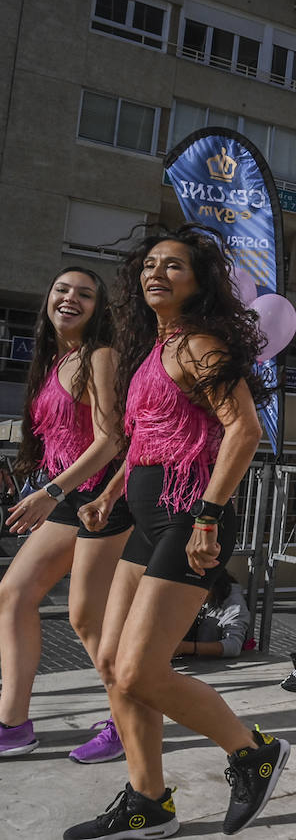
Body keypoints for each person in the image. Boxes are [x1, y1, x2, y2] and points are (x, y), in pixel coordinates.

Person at [66, 224, 289, 839]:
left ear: (198, 284)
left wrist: (210, 517)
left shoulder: (200, 346)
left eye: (174, 267)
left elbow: (243, 431)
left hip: (194, 515)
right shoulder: (152, 352)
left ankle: (251, 752)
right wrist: (109, 494)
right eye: (150, 266)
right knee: (112, 663)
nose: (156, 274)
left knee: (140, 671)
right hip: (149, 515)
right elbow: (143, 440)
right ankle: (149, 801)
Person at [0, 267, 133, 764]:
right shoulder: (57, 360)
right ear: (48, 298)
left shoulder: (100, 356)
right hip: (69, 495)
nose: (70, 299)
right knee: (14, 594)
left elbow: (112, 439)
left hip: (105, 499)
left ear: (98, 309)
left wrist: (50, 492)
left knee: (87, 618)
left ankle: (126, 721)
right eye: (61, 289)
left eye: (85, 294)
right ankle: (13, 724)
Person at [176, 571, 250, 659]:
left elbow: (234, 646)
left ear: (211, 585)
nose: (189, 595)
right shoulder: (207, 596)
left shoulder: (235, 603)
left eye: (194, 589)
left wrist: (185, 648)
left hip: (212, 662)